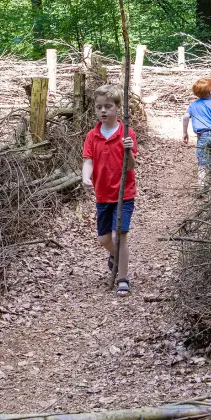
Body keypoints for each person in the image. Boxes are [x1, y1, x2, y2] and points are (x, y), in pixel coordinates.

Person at [81, 87, 137, 293]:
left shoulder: (127, 133)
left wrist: (128, 150)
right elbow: (88, 160)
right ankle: (116, 255)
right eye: (99, 107)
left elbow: (130, 166)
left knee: (119, 235)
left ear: (117, 108)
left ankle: (123, 278)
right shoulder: (92, 135)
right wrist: (86, 176)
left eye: (108, 106)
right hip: (102, 194)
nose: (103, 111)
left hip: (124, 194)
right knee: (104, 239)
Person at [182, 77, 211, 184]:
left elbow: (185, 117)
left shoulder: (193, 105)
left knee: (202, 162)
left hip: (202, 137)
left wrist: (185, 132)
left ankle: (202, 186)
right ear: (210, 92)